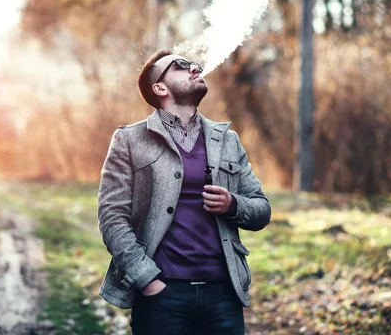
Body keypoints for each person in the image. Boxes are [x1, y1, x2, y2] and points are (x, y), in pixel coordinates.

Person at [97, 49, 271, 334]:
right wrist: (147, 280)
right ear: (160, 87)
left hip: (223, 295)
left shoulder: (228, 140)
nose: (194, 69)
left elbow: (261, 210)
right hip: (162, 295)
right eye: (180, 65)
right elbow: (112, 217)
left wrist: (232, 205)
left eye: (194, 65)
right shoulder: (129, 140)